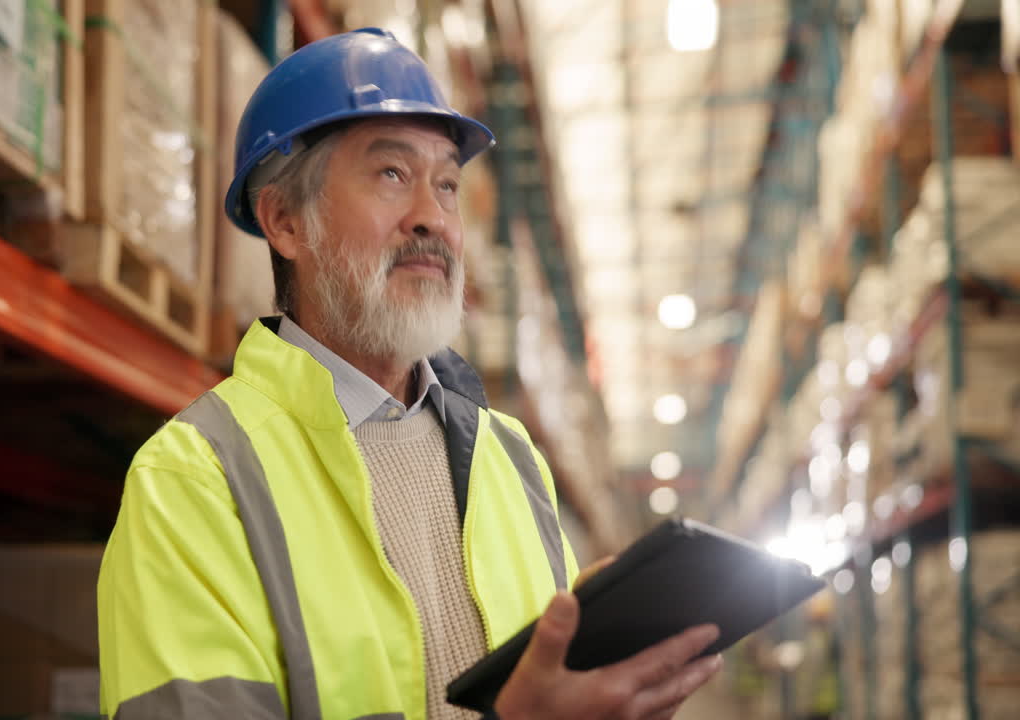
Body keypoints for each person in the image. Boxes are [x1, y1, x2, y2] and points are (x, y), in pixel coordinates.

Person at [97, 28, 722, 720]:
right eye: (392, 175)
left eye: (448, 184)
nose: (433, 218)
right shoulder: (195, 481)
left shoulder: (511, 459)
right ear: (284, 221)